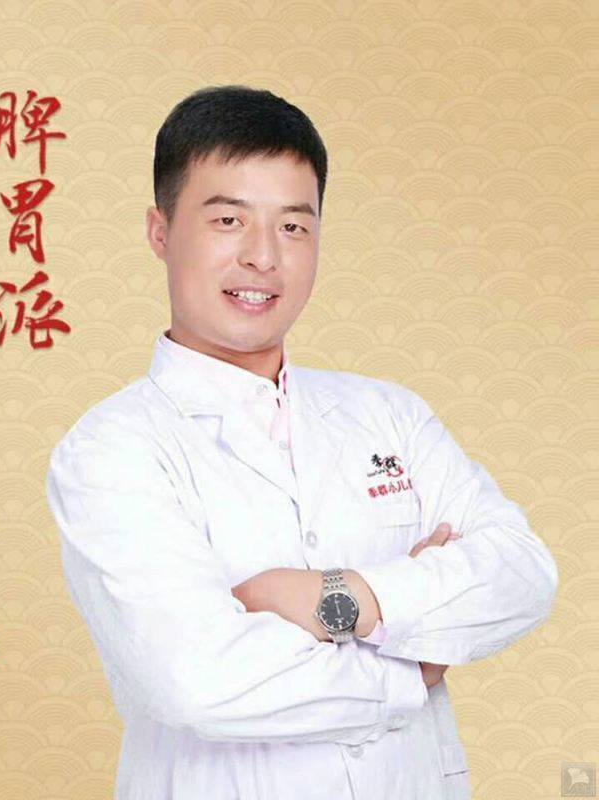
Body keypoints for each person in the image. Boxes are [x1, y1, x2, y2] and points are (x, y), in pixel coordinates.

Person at [45, 85, 559, 800]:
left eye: (293, 226)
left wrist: (340, 597)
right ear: (160, 231)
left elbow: (523, 574)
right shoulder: (111, 450)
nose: (263, 257)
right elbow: (200, 680)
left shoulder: (390, 415)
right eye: (229, 220)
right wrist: (412, 664)